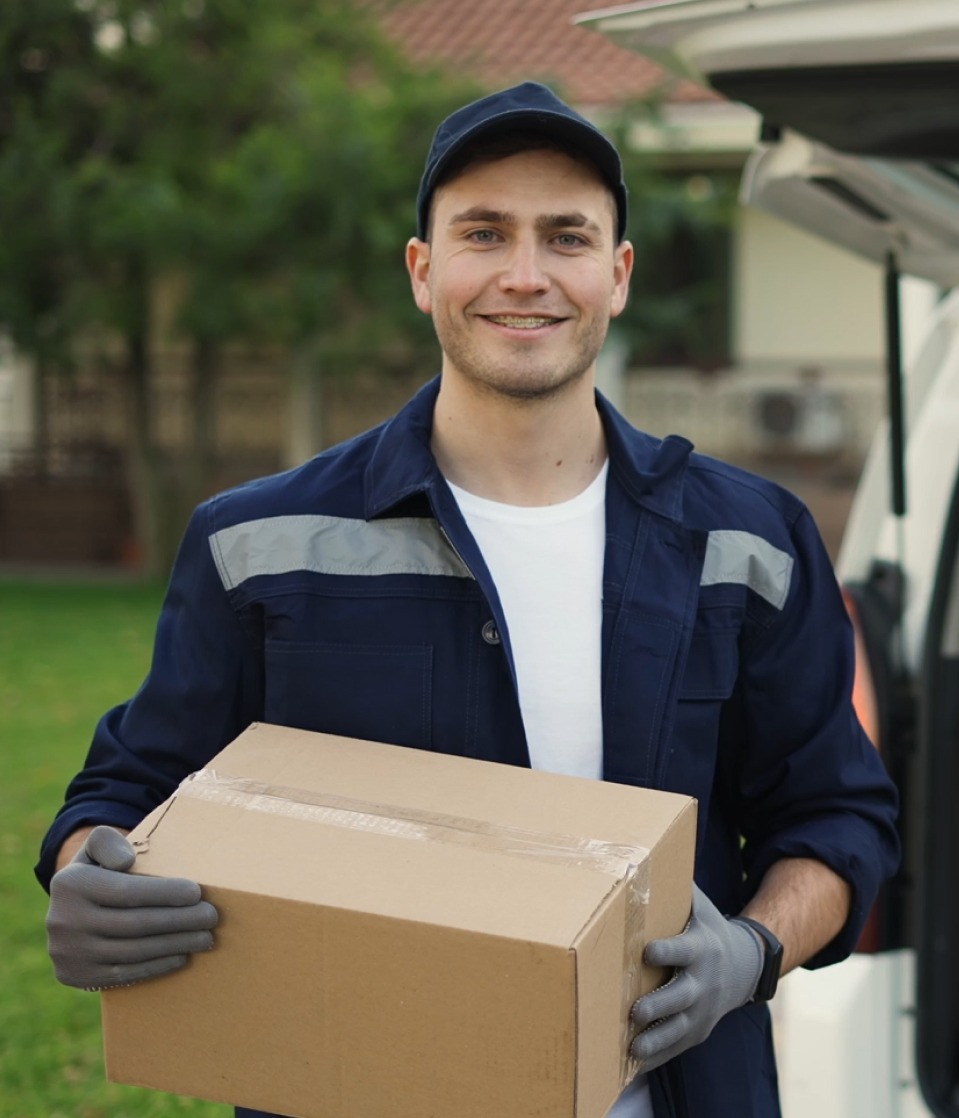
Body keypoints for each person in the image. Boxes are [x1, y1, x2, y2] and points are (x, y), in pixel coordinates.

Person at [38, 81, 899, 1118]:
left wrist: (752, 947)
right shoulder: (258, 543)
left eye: (565, 237)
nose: (524, 276)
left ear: (616, 275)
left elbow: (838, 815)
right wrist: (88, 870)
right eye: (483, 233)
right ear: (422, 269)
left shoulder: (747, 541)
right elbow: (126, 791)